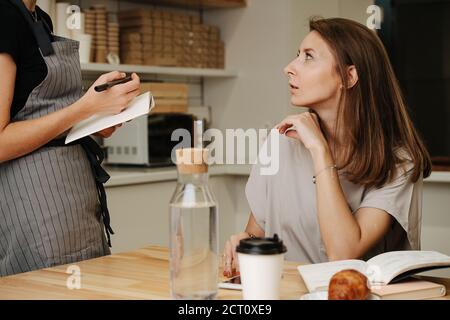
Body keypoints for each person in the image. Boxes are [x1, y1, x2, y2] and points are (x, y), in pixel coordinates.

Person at [223, 17, 432, 277]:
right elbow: (257, 233)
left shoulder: (399, 161)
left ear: (349, 76)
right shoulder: (280, 142)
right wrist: (243, 242)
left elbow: (343, 251)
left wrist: (319, 151)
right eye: (297, 55)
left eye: (308, 57)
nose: (288, 68)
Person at [0, 0, 141, 276]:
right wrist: (84, 108)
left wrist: (95, 119)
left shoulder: (38, 17)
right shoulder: (3, 16)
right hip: (37, 206)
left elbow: (42, 114)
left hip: (73, 197)